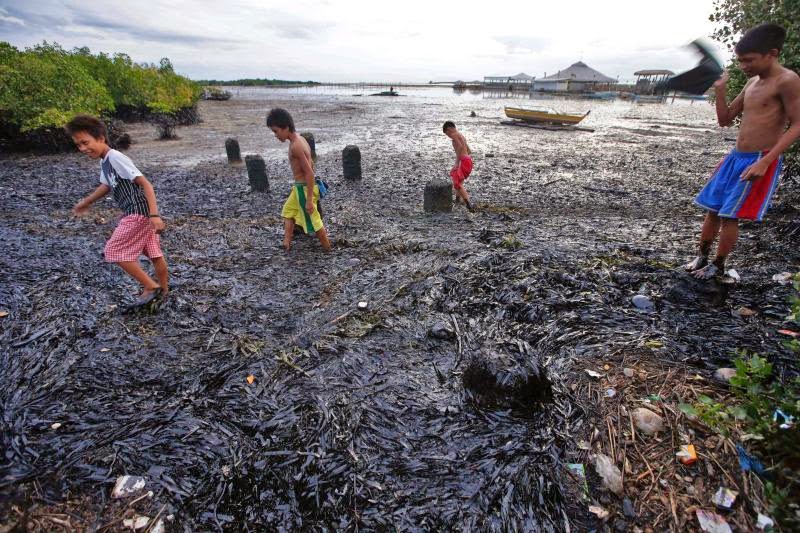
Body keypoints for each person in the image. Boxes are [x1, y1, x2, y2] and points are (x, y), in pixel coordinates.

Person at [685, 23, 800, 279]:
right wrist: (721, 89)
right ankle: (702, 256)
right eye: (740, 61)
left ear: (772, 53)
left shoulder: (787, 81)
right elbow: (725, 119)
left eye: (749, 60)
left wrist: (766, 161)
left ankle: (719, 264)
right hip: (735, 156)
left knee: (730, 215)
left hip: (759, 158)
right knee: (712, 209)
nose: (744, 66)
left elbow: (798, 124)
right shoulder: (751, 82)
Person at [67, 115, 168, 307]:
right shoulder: (104, 161)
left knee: (113, 251)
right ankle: (163, 292)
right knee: (154, 254)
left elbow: (145, 183)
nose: (82, 148)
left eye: (85, 142)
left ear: (101, 138)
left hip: (138, 213)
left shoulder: (115, 157)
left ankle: (150, 287)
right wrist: (86, 202)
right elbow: (106, 186)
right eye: (78, 145)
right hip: (138, 213)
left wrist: (154, 215)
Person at [267, 108, 331, 252]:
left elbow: (309, 172)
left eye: (276, 131)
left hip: (303, 189)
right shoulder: (301, 139)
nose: (275, 135)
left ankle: (328, 249)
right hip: (299, 188)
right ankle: (286, 243)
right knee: (288, 211)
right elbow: (312, 164)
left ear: (286, 127)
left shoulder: (296, 145)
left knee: (314, 220)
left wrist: (309, 199)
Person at [443, 120, 474, 211]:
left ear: (449, 129)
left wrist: (457, 162)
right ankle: (457, 199)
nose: (448, 136)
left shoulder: (454, 135)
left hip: (463, 160)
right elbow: (468, 150)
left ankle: (468, 204)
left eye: (447, 134)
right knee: (459, 180)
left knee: (457, 183)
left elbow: (460, 146)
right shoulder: (461, 135)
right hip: (468, 160)